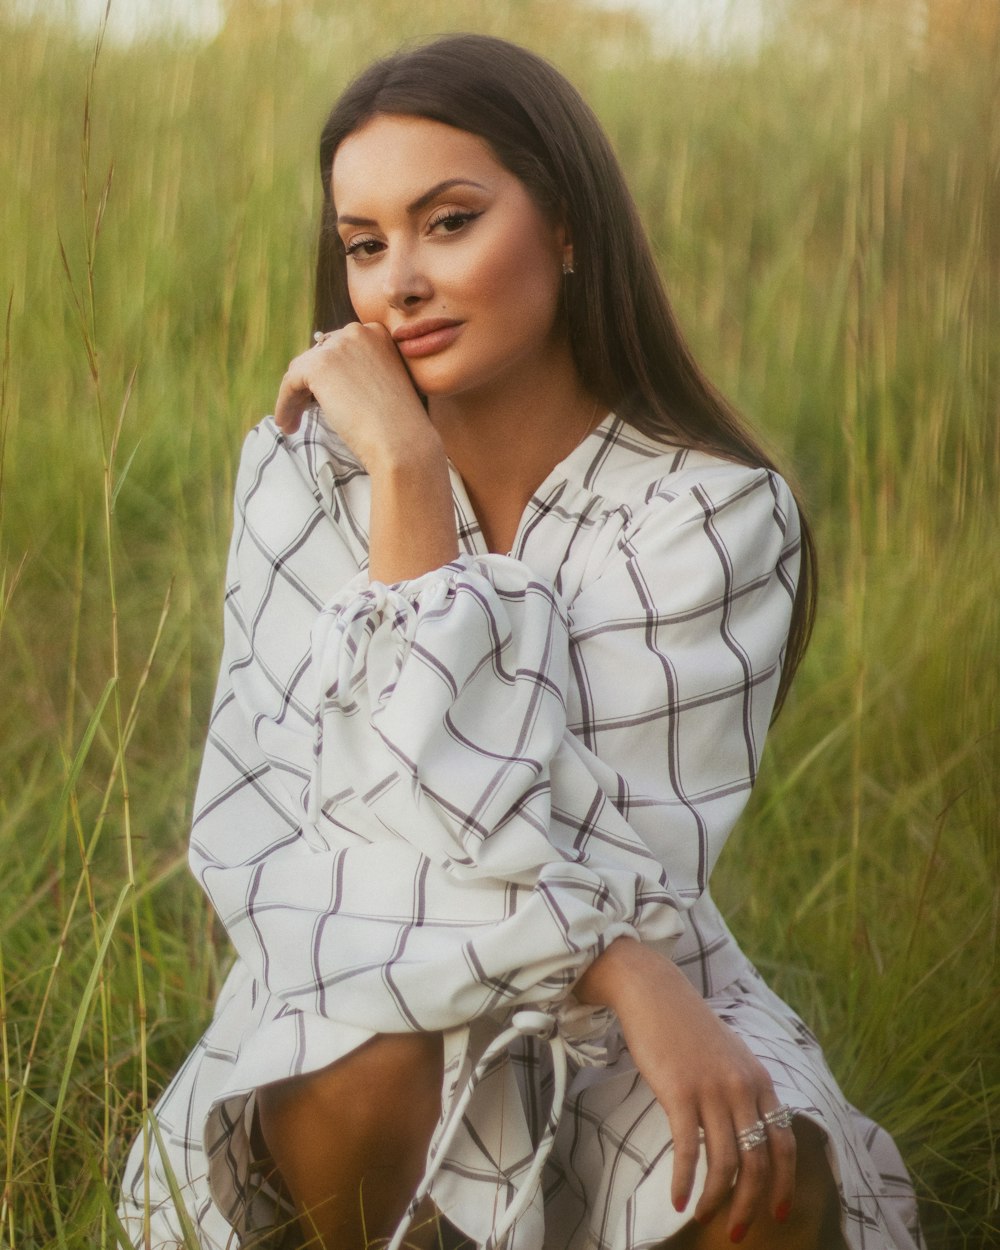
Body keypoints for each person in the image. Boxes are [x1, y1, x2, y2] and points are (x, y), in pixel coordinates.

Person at [119, 33, 925, 1250]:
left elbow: (645, 845)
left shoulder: (708, 509)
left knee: (755, 1171)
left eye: (448, 221)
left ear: (564, 224)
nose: (398, 282)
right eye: (364, 244)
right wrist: (403, 474)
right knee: (375, 1036)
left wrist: (622, 972)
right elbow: (280, 838)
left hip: (632, 1010)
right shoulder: (299, 481)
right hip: (362, 981)